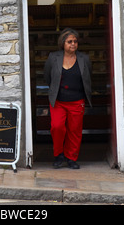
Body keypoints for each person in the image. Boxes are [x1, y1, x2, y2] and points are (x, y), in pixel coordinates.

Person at [44, 28, 92, 169]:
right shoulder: (54, 57)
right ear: (62, 43)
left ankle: (71, 158)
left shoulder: (84, 59)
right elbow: (48, 76)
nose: (73, 44)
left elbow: (89, 77)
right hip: (58, 101)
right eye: (69, 41)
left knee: (75, 131)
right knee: (57, 127)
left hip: (77, 101)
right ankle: (58, 155)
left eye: (75, 41)